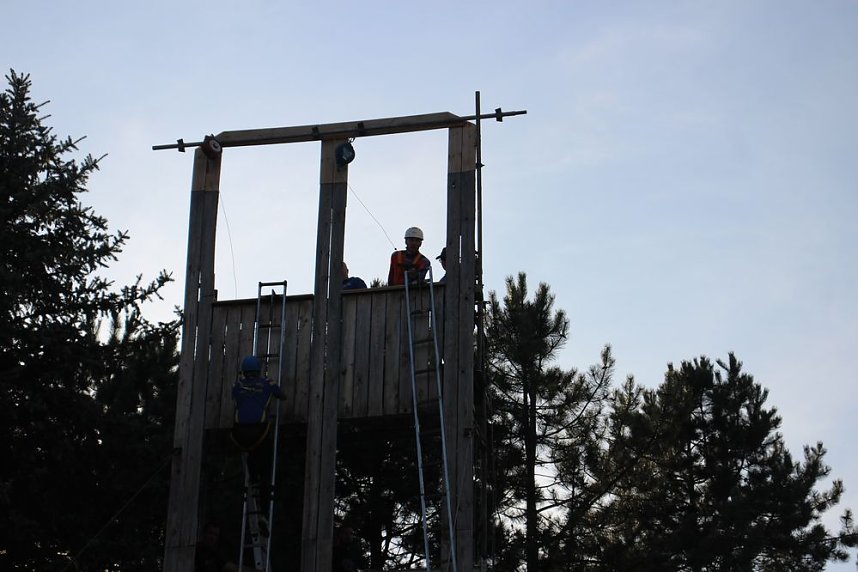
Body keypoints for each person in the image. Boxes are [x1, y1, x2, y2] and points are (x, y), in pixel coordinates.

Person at [230, 355, 286, 498]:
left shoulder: (237, 385)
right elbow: (282, 396)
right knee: (267, 459)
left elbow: (235, 397)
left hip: (238, 434)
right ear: (259, 370)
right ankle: (264, 497)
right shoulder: (268, 383)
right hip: (259, 432)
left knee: (251, 452)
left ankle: (253, 480)